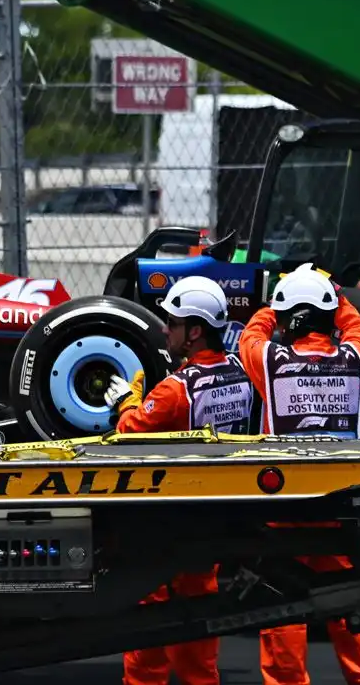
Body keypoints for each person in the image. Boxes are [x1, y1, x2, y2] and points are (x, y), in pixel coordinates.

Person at [236, 264, 360, 685]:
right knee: (348, 604)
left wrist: (272, 304)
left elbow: (249, 336)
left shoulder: (271, 361)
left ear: (293, 319)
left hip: (285, 510)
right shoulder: (354, 358)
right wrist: (335, 294)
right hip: (338, 505)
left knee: (282, 607)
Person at [108, 275, 258, 685]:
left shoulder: (175, 391)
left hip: (166, 523)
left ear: (194, 331)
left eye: (172, 323)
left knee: (149, 626)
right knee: (199, 636)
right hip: (215, 517)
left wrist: (127, 400)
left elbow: (128, 430)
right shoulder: (242, 373)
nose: (164, 329)